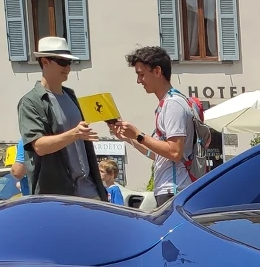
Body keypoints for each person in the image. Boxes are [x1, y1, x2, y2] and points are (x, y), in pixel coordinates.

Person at [17, 36, 105, 198]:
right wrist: (74, 134)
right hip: (58, 195)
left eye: (69, 62)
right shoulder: (31, 102)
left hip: (89, 189)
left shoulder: (71, 95)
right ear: (45, 62)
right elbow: (39, 147)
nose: (68, 68)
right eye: (62, 62)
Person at [112, 45, 195, 205]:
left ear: (157, 71)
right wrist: (129, 138)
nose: (138, 81)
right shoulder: (167, 103)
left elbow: (174, 152)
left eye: (141, 74)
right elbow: (157, 155)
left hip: (174, 189)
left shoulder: (173, 104)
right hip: (169, 188)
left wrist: (138, 135)